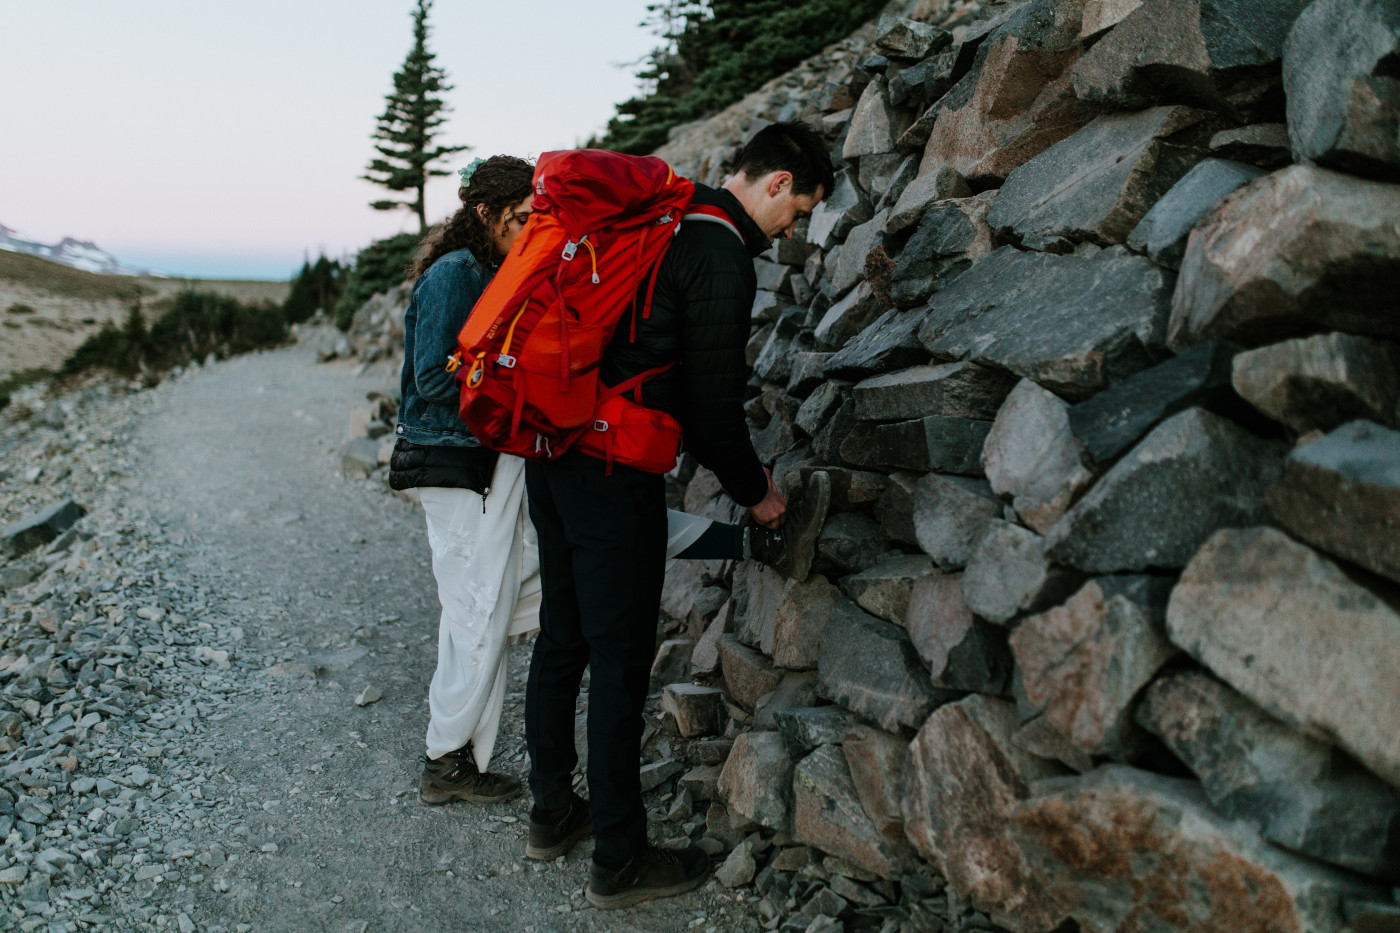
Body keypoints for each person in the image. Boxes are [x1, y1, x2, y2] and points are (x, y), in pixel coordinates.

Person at [390, 154, 827, 815]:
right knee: (490, 612)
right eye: (518, 221)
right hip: (469, 463)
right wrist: (514, 396)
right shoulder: (458, 271)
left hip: (525, 451)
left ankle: (533, 797)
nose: (526, 234)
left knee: (537, 618)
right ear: (775, 180)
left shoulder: (527, 263)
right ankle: (457, 763)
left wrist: (529, 402)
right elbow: (433, 378)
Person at [522, 122, 834, 910]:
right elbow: (711, 413)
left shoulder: (666, 216)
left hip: (553, 448)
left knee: (562, 632)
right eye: (799, 208)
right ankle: (622, 858)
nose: (794, 227)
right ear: (773, 183)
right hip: (613, 468)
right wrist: (759, 492)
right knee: (621, 660)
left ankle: (554, 809)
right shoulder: (720, 253)